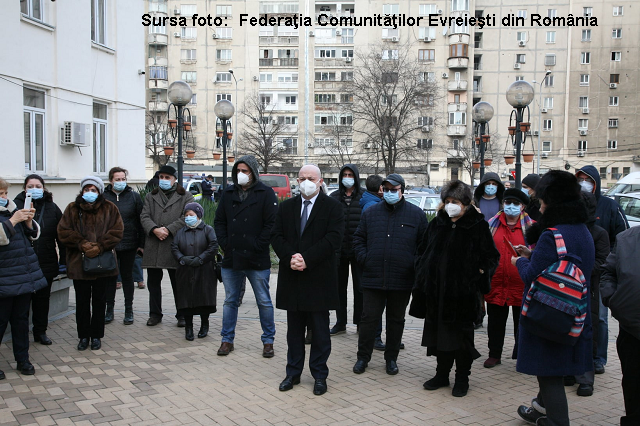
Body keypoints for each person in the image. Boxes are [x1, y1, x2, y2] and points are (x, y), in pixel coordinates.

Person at [512, 170, 594, 426]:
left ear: (551, 199)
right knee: (553, 366)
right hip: (573, 312)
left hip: (547, 314)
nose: (539, 203)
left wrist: (519, 261)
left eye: (542, 198)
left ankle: (558, 421)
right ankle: (539, 408)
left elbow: (533, 276)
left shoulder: (551, 235)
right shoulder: (581, 230)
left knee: (547, 372)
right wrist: (532, 254)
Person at [413, 180, 499, 397]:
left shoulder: (477, 225)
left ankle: (462, 378)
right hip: (436, 293)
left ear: (466, 203)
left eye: (456, 201)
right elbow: (422, 250)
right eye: (448, 201)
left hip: (463, 295)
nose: (451, 205)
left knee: (461, 340)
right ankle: (442, 375)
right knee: (439, 337)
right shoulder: (437, 223)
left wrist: (477, 275)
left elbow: (491, 257)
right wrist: (423, 268)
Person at [271, 164, 344, 396]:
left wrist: (307, 259)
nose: (305, 182)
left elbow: (334, 239)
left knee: (320, 331)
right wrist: (290, 257)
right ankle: (293, 373)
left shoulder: (333, 207)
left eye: (310, 178)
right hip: (292, 277)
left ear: (320, 181)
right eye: (301, 178)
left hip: (319, 278)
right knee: (294, 332)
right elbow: (277, 236)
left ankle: (319, 375)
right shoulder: (287, 208)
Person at [352, 173, 427, 376]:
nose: (390, 193)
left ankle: (391, 358)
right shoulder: (371, 213)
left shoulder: (416, 214)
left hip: (401, 279)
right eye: (386, 189)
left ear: (402, 190)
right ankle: (363, 358)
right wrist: (364, 258)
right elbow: (358, 238)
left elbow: (424, 246)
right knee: (368, 320)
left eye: (394, 190)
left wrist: (413, 264)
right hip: (373, 277)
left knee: (396, 320)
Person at [214, 156, 278, 357]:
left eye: (246, 170)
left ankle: (268, 341)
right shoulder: (228, 192)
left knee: (264, 301)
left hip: (256, 257)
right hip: (232, 256)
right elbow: (219, 221)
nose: (241, 174)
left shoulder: (265, 193)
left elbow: (271, 224)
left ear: (254, 172)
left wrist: (258, 245)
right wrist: (225, 244)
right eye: (238, 170)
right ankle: (227, 340)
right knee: (230, 300)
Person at [57, 176, 124, 351]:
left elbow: (117, 231)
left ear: (99, 191)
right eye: (87, 189)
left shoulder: (110, 208)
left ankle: (96, 336)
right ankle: (83, 336)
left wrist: (100, 246)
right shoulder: (72, 208)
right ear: (82, 191)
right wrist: (82, 244)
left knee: (100, 302)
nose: (90, 193)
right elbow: (63, 231)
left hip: (103, 265)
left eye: (93, 190)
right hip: (79, 265)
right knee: (82, 302)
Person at [575, 165, 628, 375]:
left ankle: (598, 358)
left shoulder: (609, 206)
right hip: (578, 274)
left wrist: (612, 262)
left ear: (595, 182)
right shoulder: (573, 206)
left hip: (602, 271)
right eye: (579, 179)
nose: (583, 183)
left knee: (600, 318)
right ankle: (578, 358)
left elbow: (623, 236)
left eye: (587, 179)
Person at [0, 177, 47, 377]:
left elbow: (32, 235)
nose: (4, 197)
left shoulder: (12, 209)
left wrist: (27, 220)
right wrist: (13, 221)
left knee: (21, 321)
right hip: (4, 278)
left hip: (23, 276)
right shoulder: (12, 215)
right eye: (0, 193)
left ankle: (23, 360)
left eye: (4, 193)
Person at [483, 188, 534, 368]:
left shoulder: (532, 227)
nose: (510, 206)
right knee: (495, 322)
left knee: (523, 324)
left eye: (515, 203)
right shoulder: (491, 225)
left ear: (522, 206)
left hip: (522, 283)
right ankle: (494, 354)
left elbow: (538, 253)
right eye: (507, 203)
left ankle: (523, 354)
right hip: (497, 282)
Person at [14, 174, 65, 345]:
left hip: (46, 260)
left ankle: (40, 331)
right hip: (22, 263)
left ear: (43, 188)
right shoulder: (15, 207)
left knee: (42, 300)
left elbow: (61, 235)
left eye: (38, 186)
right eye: (30, 186)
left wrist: (64, 260)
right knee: (22, 302)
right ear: (24, 188)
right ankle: (21, 335)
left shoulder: (52, 207)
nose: (34, 189)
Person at [567, 192, 610, 397]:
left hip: (589, 288)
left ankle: (585, 378)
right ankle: (568, 370)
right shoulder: (564, 230)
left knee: (586, 334)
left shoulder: (598, 233)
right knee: (566, 329)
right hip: (566, 288)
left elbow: (603, 261)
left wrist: (578, 271)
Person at [140, 165, 195, 327]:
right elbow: (144, 216)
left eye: (167, 177)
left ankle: (182, 314)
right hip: (154, 244)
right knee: (153, 283)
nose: (163, 180)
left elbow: (187, 216)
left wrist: (168, 229)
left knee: (178, 283)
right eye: (161, 177)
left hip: (174, 244)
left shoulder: (186, 196)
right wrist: (155, 229)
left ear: (174, 179)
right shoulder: (151, 196)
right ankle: (155, 314)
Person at [600, 226, 640, 426]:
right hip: (631, 330)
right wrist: (612, 299)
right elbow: (608, 273)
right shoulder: (626, 239)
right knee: (633, 384)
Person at [102, 167, 145, 325]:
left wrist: (141, 244)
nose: (120, 182)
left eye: (123, 179)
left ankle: (129, 310)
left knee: (127, 277)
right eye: (117, 179)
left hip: (129, 243)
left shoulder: (134, 197)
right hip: (109, 244)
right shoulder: (103, 197)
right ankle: (109, 309)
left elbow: (141, 221)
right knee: (110, 278)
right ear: (111, 180)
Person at [171, 203, 218, 341]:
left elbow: (213, 246)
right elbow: (174, 247)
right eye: (186, 215)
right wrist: (182, 258)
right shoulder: (180, 232)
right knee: (186, 300)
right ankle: (189, 327)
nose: (188, 218)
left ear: (198, 215)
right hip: (185, 271)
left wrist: (201, 259)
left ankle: (204, 325)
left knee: (204, 298)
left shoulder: (208, 230)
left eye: (191, 215)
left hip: (205, 271)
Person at [329, 164, 364, 336]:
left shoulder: (364, 197)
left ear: (356, 177)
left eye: (351, 174)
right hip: (339, 250)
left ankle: (360, 323)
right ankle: (340, 322)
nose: (348, 177)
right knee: (338, 288)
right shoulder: (334, 197)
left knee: (360, 288)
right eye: (345, 174)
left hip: (358, 251)